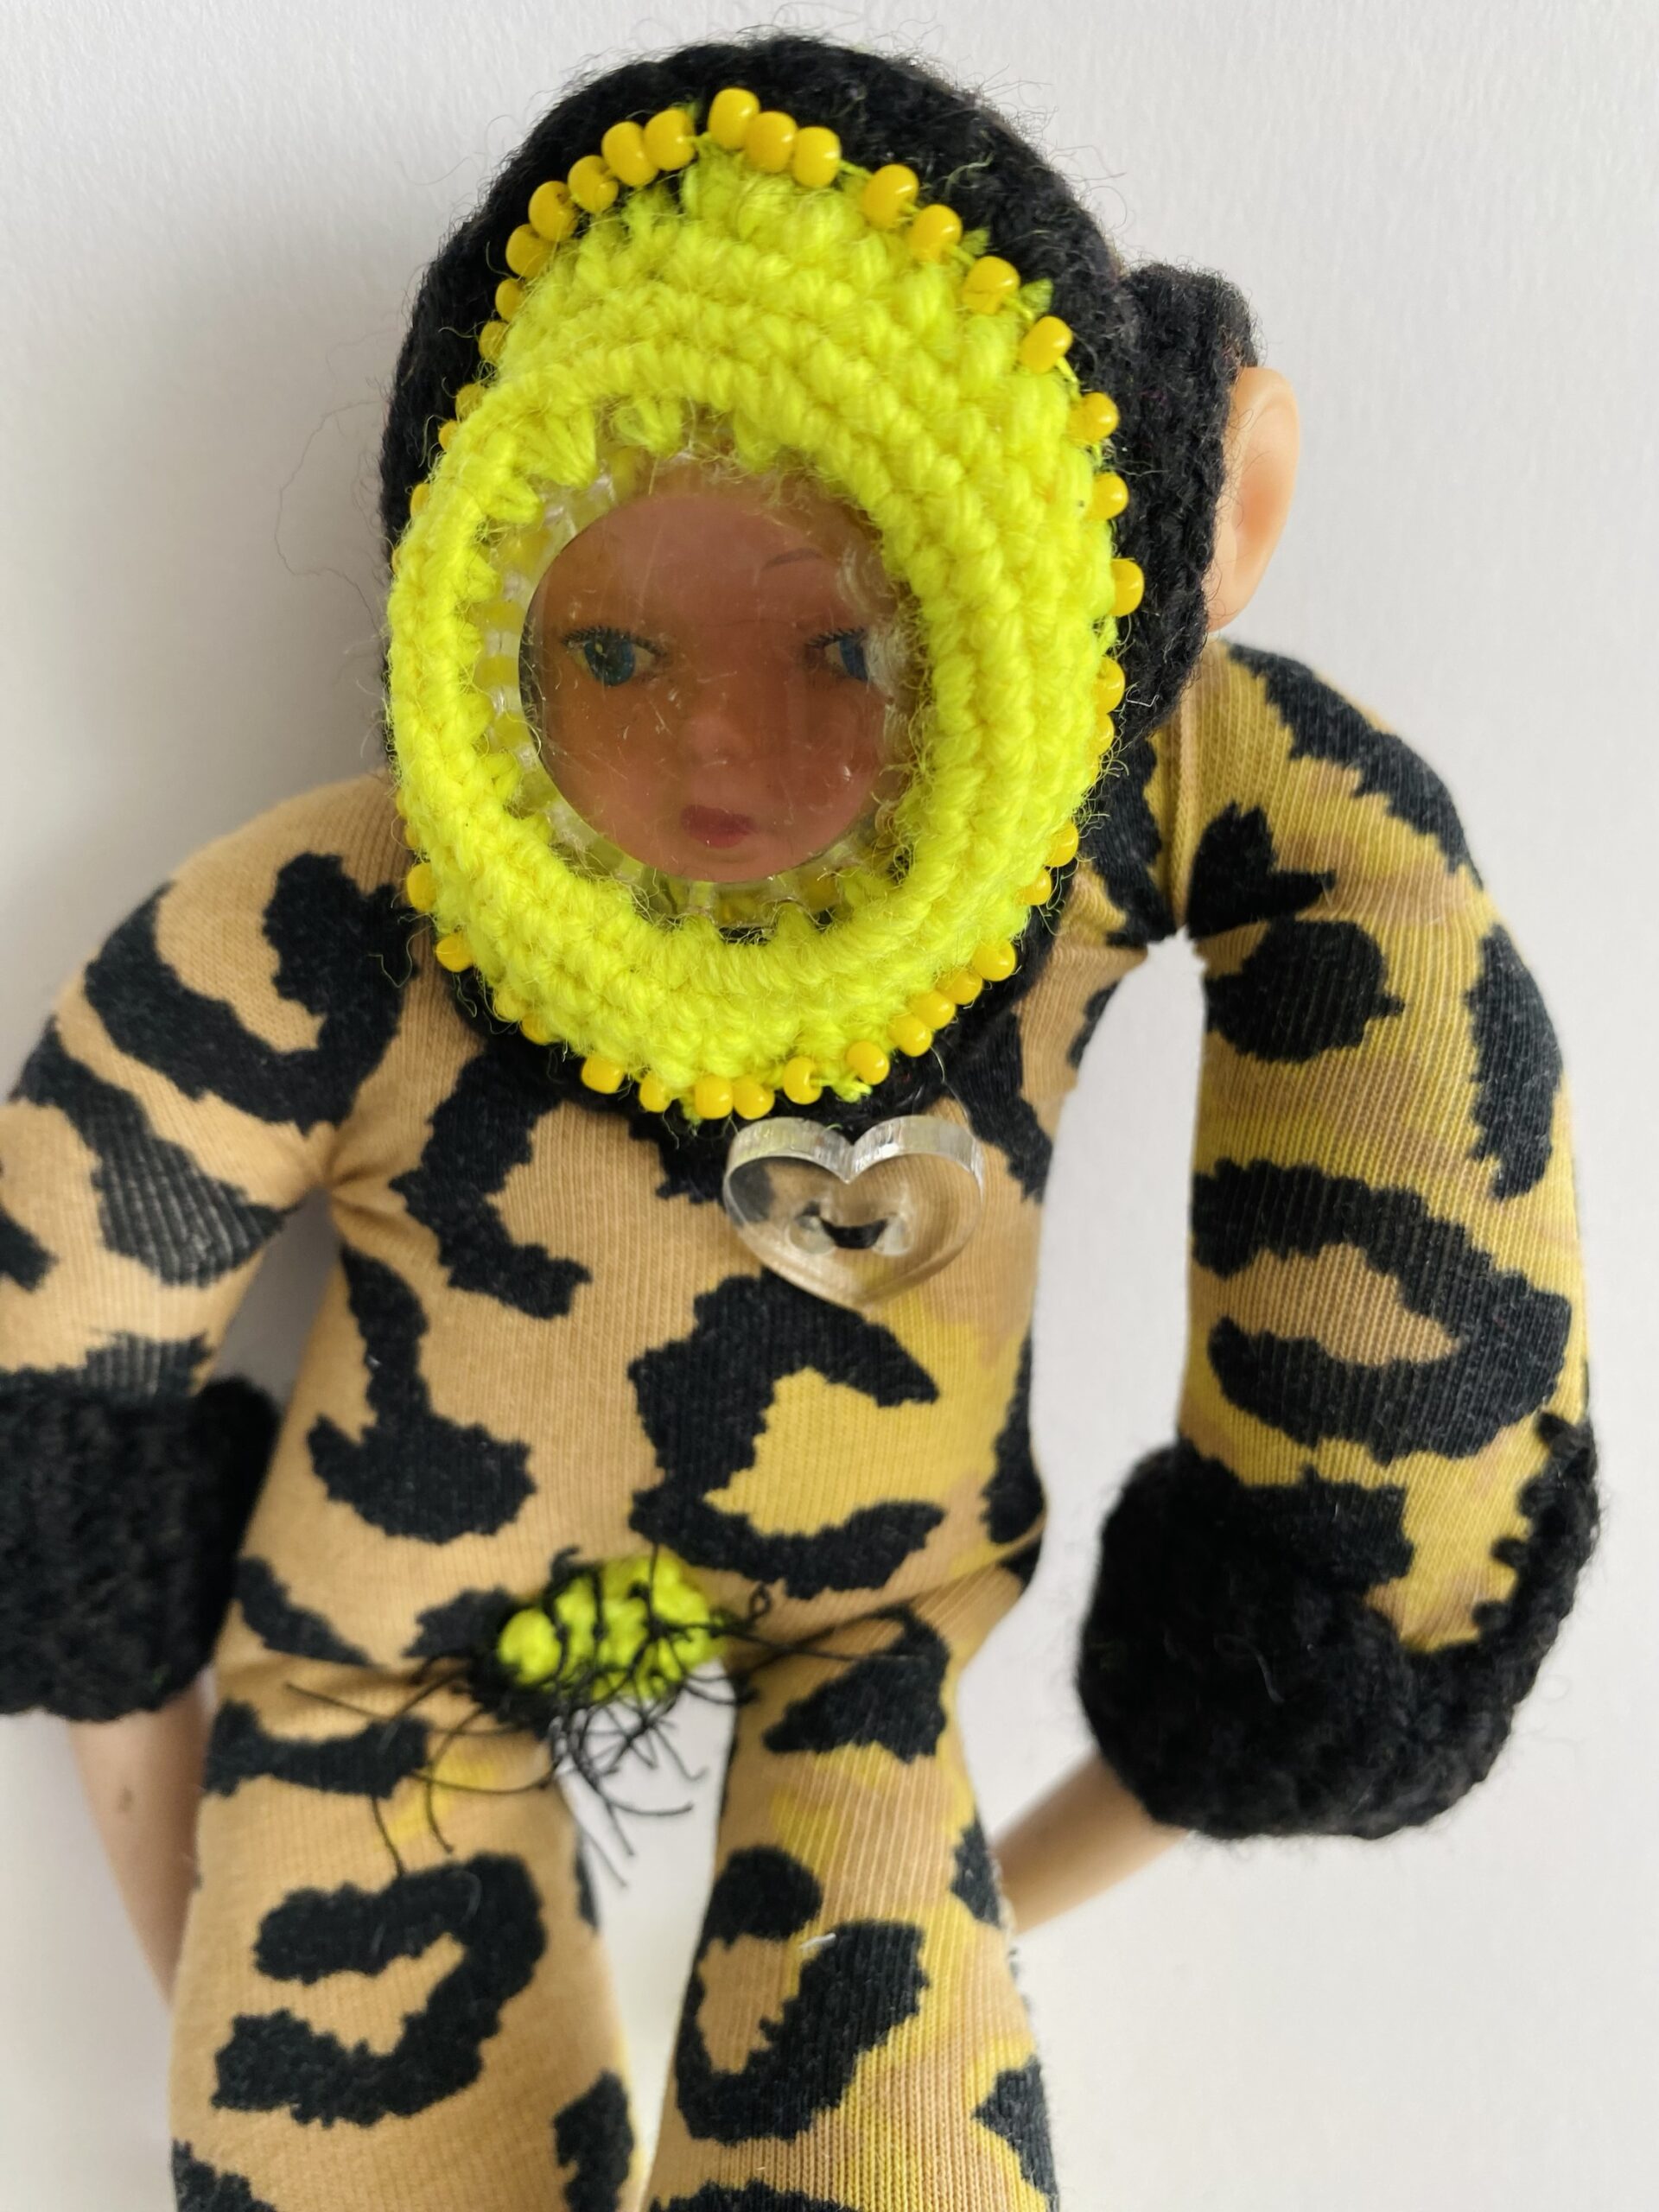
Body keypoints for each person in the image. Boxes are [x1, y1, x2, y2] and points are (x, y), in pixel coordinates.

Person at [0, 33, 1594, 2210]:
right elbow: (66, 1309)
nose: (728, 756)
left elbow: (1383, 954)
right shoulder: (375, 922)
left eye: (850, 656)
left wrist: (1312, 1615)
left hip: (868, 1635)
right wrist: (144, 1768)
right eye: (614, 657)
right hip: (388, 1653)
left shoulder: (1070, 833)